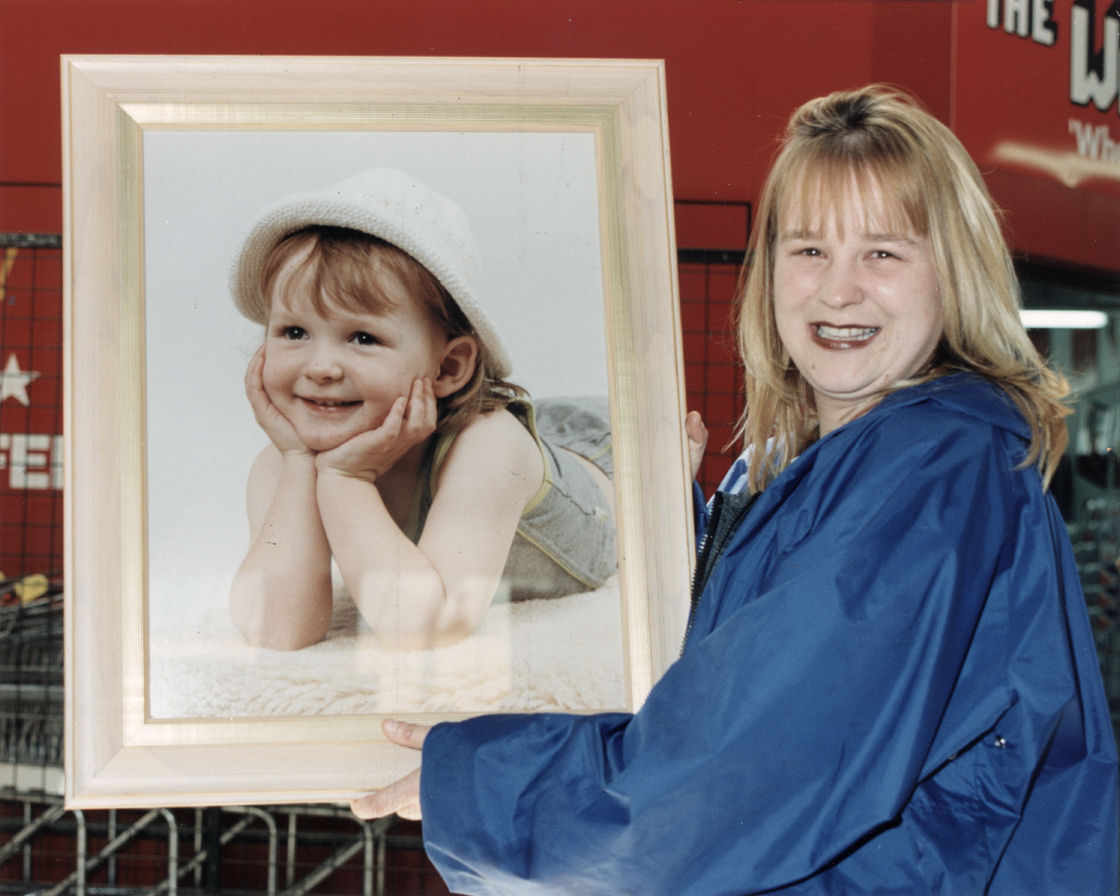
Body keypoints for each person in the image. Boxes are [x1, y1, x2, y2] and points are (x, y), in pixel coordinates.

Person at [351, 86, 1120, 894]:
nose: (838, 290)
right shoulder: (792, 465)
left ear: (951, 273)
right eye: (808, 249)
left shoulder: (936, 466)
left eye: (884, 253)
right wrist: (667, 524)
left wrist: (481, 786)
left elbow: (747, 766)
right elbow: (746, 671)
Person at [227, 168, 616, 651]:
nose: (320, 367)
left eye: (363, 338)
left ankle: (668, 456)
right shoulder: (284, 463)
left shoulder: (488, 449)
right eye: (294, 332)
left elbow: (430, 627)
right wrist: (301, 465)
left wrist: (347, 481)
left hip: (598, 464)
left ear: (448, 367)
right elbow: (278, 629)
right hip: (535, 440)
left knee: (649, 484)